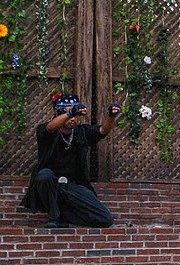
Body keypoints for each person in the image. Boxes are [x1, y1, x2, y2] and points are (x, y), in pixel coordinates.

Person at [20, 92, 121, 228]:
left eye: (75, 115)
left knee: (105, 219)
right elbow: (49, 128)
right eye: (69, 114)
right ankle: (53, 216)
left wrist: (111, 116)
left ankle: (64, 215)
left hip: (70, 187)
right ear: (59, 114)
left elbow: (103, 130)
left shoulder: (81, 132)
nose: (73, 118)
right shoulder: (45, 130)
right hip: (51, 184)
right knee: (44, 175)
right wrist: (71, 112)